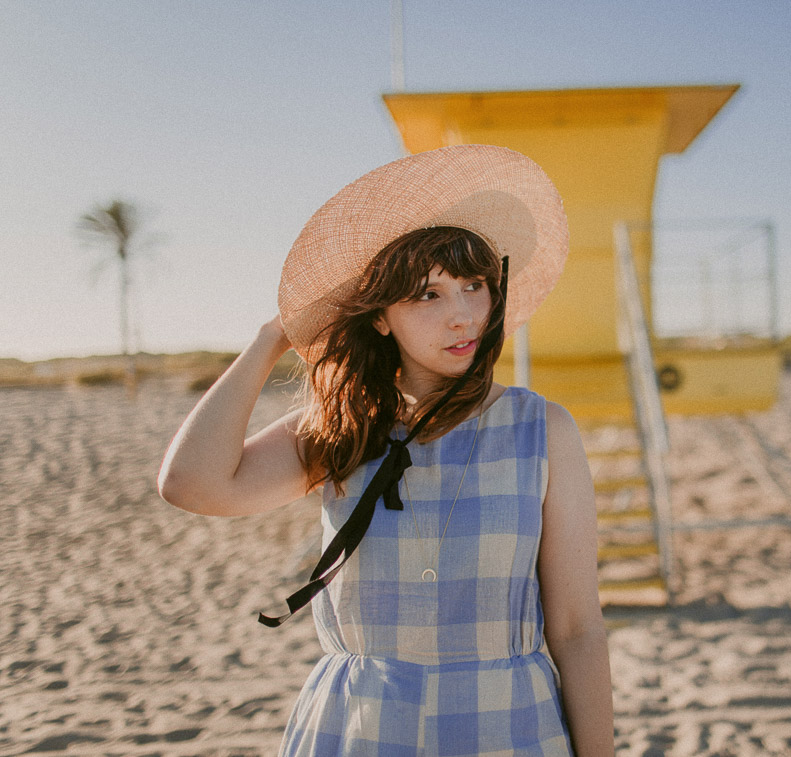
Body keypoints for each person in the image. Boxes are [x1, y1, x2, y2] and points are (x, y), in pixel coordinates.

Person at [158, 144, 614, 756]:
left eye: (473, 286)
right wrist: (273, 339)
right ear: (380, 318)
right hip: (359, 729)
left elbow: (578, 629)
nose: (461, 317)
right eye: (427, 295)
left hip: (506, 723)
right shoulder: (340, 429)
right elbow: (191, 484)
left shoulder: (540, 428)